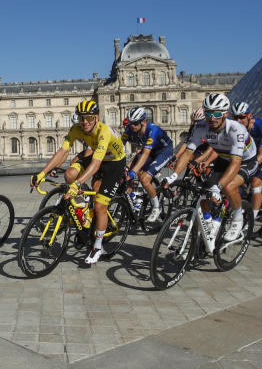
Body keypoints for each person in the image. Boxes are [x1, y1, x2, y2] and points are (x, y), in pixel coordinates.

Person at [30, 100, 126, 265]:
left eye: (89, 117)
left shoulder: (104, 132)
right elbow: (63, 151)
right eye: (81, 117)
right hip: (97, 158)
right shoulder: (76, 129)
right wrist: (42, 173)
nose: (85, 122)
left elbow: (96, 164)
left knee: (100, 206)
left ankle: (97, 246)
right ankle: (84, 210)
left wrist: (78, 184)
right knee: (70, 174)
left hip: (114, 164)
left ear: (96, 117)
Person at [164, 94, 257, 243]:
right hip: (224, 158)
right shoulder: (201, 126)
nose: (212, 118)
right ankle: (212, 222)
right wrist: (173, 176)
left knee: (228, 187)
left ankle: (238, 218)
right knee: (205, 192)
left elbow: (235, 163)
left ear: (226, 114)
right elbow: (188, 152)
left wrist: (219, 187)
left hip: (245, 161)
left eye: (217, 114)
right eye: (208, 113)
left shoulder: (236, 129)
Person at [232, 102, 262, 226]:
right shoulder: (237, 129)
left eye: (242, 117)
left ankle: (251, 220)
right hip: (254, 151)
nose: (239, 120)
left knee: (256, 182)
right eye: (236, 117)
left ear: (249, 116)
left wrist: (248, 167)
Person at [122, 107, 175, 223]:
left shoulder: (152, 130)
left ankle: (157, 207)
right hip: (150, 151)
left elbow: (145, 154)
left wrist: (133, 171)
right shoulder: (129, 130)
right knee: (127, 175)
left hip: (164, 151)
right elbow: (120, 147)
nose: (132, 126)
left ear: (143, 122)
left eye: (135, 123)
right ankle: (134, 198)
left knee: (144, 178)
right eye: (130, 123)